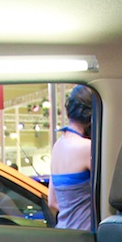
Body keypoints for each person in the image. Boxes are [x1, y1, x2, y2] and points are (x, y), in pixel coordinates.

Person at [48, 85, 94, 230]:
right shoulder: (87, 147)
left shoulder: (58, 146)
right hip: (84, 239)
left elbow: (52, 202)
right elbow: (108, 198)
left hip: (64, 235)